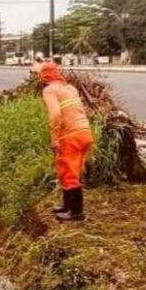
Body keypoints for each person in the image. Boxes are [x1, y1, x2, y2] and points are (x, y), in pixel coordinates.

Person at [40, 62, 94, 221]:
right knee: (71, 171)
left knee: (68, 172)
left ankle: (76, 212)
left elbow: (55, 114)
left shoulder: (49, 90)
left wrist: (54, 137)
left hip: (70, 135)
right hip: (85, 133)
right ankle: (67, 206)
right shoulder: (70, 88)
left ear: (43, 77)